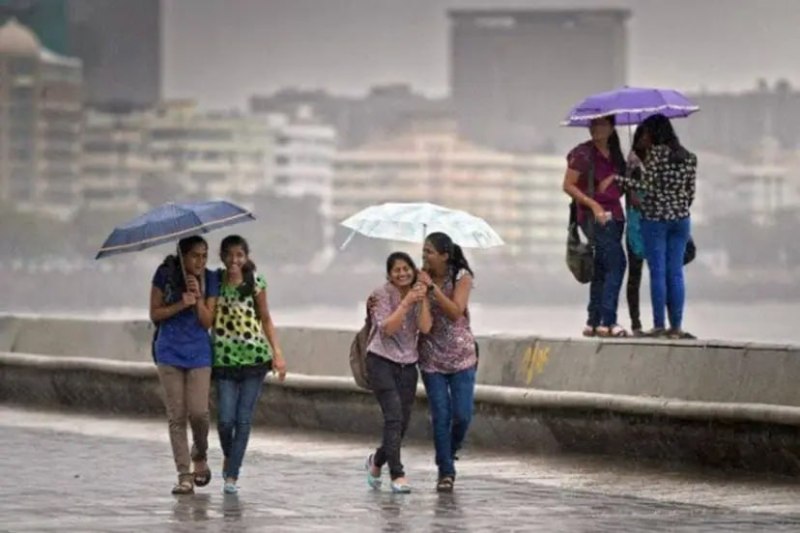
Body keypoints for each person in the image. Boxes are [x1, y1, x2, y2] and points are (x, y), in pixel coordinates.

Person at [212, 235, 287, 494]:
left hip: (254, 359)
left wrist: (277, 353)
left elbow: (266, 319)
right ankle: (230, 456)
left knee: (243, 420)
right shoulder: (214, 282)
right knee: (224, 420)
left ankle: (232, 475)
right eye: (230, 255)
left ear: (246, 256)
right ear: (221, 256)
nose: (234, 260)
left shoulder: (255, 282)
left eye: (239, 255)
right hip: (223, 360)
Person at [616, 114, 697, 339]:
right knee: (676, 273)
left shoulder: (656, 155)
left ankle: (660, 325)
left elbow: (646, 185)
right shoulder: (689, 157)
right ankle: (677, 327)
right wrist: (677, 207)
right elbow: (690, 193)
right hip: (681, 221)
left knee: (658, 273)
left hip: (655, 220)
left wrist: (618, 180)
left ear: (655, 133)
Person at [150, 235, 219, 495]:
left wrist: (198, 299)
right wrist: (181, 303)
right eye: (195, 256)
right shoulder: (164, 274)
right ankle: (184, 475)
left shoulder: (210, 278)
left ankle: (199, 453)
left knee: (199, 413)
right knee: (176, 416)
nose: (200, 261)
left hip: (199, 353)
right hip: (169, 352)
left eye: (204, 255)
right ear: (183, 255)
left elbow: (207, 322)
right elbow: (154, 313)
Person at [416, 232, 479, 493]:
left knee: (462, 415)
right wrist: (420, 293)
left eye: (429, 252)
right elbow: (426, 326)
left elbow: (455, 312)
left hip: (462, 356)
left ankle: (448, 452)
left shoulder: (461, 276)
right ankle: (446, 471)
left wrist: (433, 289)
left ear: (444, 255)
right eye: (423, 252)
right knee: (440, 415)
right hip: (432, 358)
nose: (425, 256)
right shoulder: (419, 280)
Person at [365, 252, 432, 494]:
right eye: (397, 270)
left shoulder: (420, 293)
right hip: (381, 361)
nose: (402, 273)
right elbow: (388, 329)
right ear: (389, 274)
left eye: (406, 269)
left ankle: (377, 461)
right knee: (393, 417)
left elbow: (425, 327)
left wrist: (422, 298)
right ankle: (397, 474)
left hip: (408, 364)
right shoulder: (380, 295)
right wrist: (406, 303)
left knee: (401, 423)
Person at [562, 115, 629, 337]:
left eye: (601, 124)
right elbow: (568, 185)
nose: (596, 129)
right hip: (594, 217)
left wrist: (617, 179)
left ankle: (593, 320)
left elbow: (618, 190)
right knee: (617, 264)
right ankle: (608, 321)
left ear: (611, 128)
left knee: (602, 267)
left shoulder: (617, 155)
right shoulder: (583, 153)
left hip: (616, 216)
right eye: (593, 124)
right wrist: (594, 205)